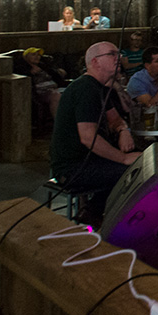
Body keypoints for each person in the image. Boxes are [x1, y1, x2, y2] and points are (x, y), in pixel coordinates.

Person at [49, 42, 140, 224]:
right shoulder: (85, 89)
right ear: (95, 62)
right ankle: (95, 215)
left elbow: (115, 119)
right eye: (111, 54)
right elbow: (88, 137)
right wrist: (123, 158)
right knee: (133, 171)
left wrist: (123, 130)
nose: (118, 58)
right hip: (72, 167)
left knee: (141, 158)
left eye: (118, 54)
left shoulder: (100, 88)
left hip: (89, 160)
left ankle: (100, 212)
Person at [19, 47, 66, 129]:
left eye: (38, 55)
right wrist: (30, 73)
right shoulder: (22, 68)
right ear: (26, 57)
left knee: (75, 92)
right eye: (33, 55)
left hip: (55, 88)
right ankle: (60, 126)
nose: (37, 57)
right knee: (56, 96)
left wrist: (57, 71)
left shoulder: (43, 65)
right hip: (41, 92)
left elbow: (57, 77)